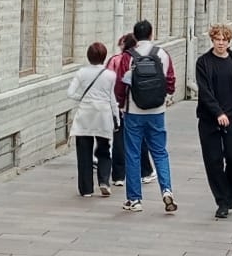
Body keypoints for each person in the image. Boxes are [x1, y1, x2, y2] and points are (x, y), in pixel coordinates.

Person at [118, 18, 177, 213]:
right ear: (152, 34)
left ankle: (134, 199)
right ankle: (167, 190)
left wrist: (120, 104)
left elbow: (120, 85)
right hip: (157, 112)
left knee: (133, 154)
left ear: (135, 36)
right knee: (160, 152)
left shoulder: (128, 56)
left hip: (133, 111)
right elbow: (170, 81)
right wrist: (165, 97)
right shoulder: (162, 54)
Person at [194, 24, 232, 218]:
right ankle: (222, 201)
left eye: (224, 40)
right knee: (214, 160)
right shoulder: (203, 62)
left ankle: (230, 189)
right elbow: (205, 91)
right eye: (217, 39)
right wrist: (218, 112)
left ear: (229, 41)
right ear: (212, 40)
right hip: (210, 118)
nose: (220, 43)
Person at [66, 41, 118, 197]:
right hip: (103, 114)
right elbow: (112, 98)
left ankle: (86, 189)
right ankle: (104, 181)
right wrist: (116, 118)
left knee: (83, 152)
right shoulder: (110, 75)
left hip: (85, 115)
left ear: (89, 57)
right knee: (104, 150)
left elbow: (70, 93)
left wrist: (82, 98)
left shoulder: (81, 73)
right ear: (104, 57)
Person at [105, 32, 155, 188]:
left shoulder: (115, 60)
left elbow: (109, 81)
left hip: (118, 104)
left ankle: (118, 175)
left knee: (119, 138)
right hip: (136, 104)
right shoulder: (139, 60)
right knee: (140, 138)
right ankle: (145, 171)